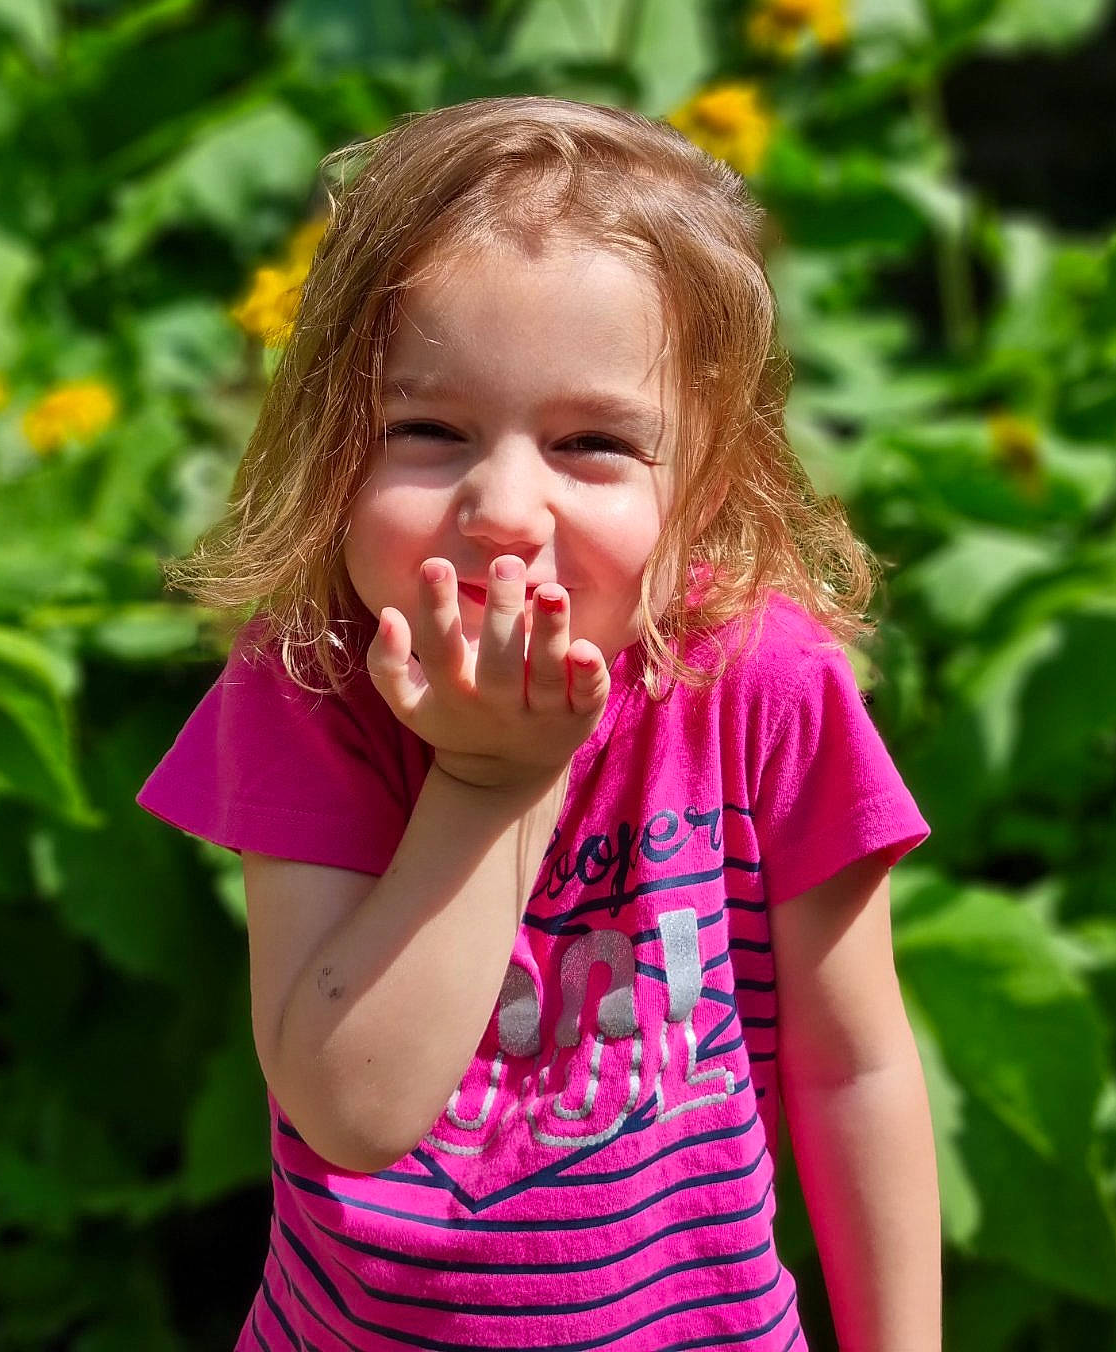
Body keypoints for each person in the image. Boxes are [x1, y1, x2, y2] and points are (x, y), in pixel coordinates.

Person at [138, 95, 941, 1352]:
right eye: (427, 430)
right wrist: (489, 780)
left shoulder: (764, 685)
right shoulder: (307, 686)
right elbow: (353, 1107)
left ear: (707, 488)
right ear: (331, 452)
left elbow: (855, 1068)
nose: (505, 506)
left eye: (594, 443)